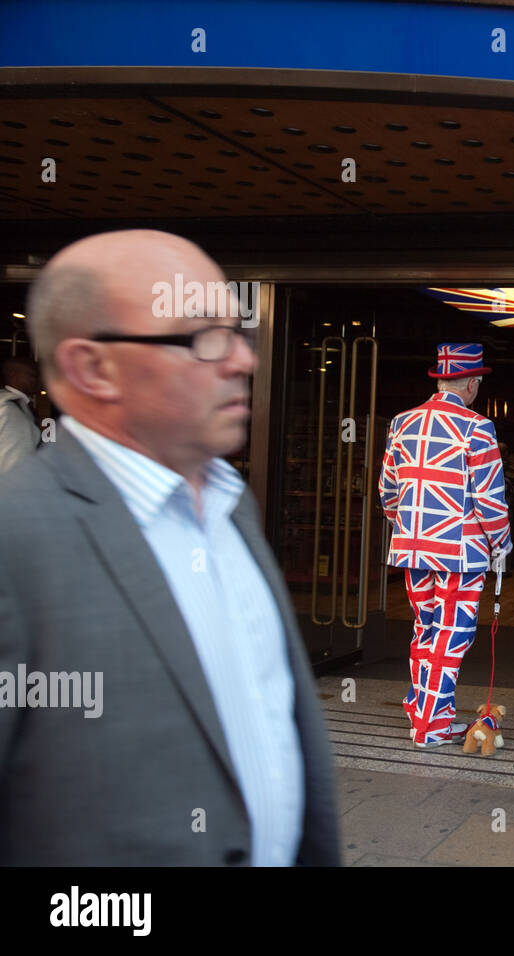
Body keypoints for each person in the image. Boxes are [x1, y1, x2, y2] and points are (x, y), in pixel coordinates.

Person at [0, 229, 339, 865]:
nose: (243, 360)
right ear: (92, 367)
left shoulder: (233, 504)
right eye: (202, 338)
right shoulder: (17, 540)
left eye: (238, 334)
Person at [380, 343, 511, 748]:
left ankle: (422, 714)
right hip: (459, 552)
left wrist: (410, 526)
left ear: (439, 379)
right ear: (472, 384)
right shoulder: (477, 427)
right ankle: (432, 729)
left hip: (412, 547)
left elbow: (389, 492)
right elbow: (490, 500)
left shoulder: (401, 422)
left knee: (426, 631)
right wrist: (502, 544)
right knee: (451, 635)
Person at [0, 355, 40, 472]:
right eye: (33, 375)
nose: (38, 380)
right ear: (14, 375)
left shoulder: (16, 404)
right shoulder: (8, 408)